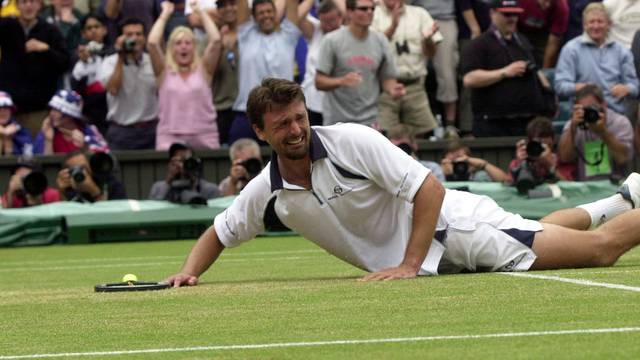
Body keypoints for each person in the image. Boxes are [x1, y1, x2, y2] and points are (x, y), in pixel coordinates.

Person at [165, 77, 640, 287]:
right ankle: (624, 199)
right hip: (446, 247)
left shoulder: (350, 140)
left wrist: (410, 265)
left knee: (599, 252)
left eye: (299, 118)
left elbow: (428, 188)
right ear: (260, 131)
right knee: (533, 227)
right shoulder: (264, 189)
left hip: (459, 232)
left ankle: (625, 207)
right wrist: (188, 273)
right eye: (282, 124)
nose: (295, 129)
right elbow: (219, 232)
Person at [461, 0, 552, 137]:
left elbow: (535, 69)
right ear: (492, 13)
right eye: (507, 14)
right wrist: (505, 72)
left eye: (515, 15)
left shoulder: (522, 41)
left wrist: (547, 92)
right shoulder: (479, 44)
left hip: (525, 122)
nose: (512, 19)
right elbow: (469, 79)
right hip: (493, 124)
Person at [315, 0, 405, 127]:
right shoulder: (332, 40)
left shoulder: (380, 40)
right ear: (350, 12)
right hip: (338, 121)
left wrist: (393, 90)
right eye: (363, 9)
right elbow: (319, 81)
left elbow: (387, 78)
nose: (369, 12)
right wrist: (341, 81)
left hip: (370, 120)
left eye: (372, 9)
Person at [147, 0, 221, 151]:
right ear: (171, 48)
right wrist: (165, 14)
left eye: (188, 42)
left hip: (204, 136)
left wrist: (201, 12)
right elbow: (152, 42)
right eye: (178, 43)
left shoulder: (204, 69)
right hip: (169, 137)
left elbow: (216, 39)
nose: (183, 46)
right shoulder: (163, 71)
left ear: (194, 47)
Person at [228, 0, 304, 144]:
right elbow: (242, 4)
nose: (266, 16)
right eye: (261, 13)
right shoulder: (246, 35)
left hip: (282, 113)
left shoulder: (288, 35)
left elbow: (293, 4)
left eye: (269, 11)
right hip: (246, 114)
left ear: (276, 14)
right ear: (254, 17)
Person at [371, 0, 442, 138]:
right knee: (383, 136)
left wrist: (427, 40)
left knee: (422, 135)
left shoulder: (420, 14)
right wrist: (393, 26)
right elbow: (372, 49)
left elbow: (431, 54)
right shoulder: (373, 15)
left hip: (415, 85)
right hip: (384, 89)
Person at [0, 0, 71, 137]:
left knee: (38, 154)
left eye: (32, 1)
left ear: (39, 5)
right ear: (17, 5)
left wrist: (46, 49)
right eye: (24, 2)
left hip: (39, 110)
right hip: (7, 110)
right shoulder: (6, 26)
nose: (28, 6)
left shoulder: (50, 30)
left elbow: (65, 62)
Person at [554, 3, 639, 117]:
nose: (596, 26)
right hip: (582, 115)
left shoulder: (622, 51)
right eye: (591, 22)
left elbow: (635, 86)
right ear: (584, 25)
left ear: (609, 24)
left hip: (616, 115)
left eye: (600, 21)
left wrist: (627, 89)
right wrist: (581, 88)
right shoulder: (571, 49)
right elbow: (560, 86)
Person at [97, 18, 159, 150]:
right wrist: (121, 56)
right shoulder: (110, 62)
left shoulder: (153, 61)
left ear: (145, 37)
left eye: (138, 34)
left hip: (151, 130)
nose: (134, 38)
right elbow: (113, 89)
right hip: (122, 132)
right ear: (120, 38)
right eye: (129, 35)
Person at [557, 84, 634, 181]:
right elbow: (564, 157)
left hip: (617, 187)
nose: (588, 112)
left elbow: (623, 158)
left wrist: (603, 132)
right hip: (586, 189)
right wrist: (572, 129)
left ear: (604, 104)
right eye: (585, 109)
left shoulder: (620, 123)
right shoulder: (575, 123)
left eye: (592, 108)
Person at [409, 0, 459, 132]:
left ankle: (450, 124)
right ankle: (419, 124)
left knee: (447, 73)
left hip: (444, 19)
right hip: (414, 17)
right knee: (414, 71)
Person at [299, 0, 343, 127]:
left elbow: (347, 12)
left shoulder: (348, 34)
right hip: (311, 101)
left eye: (331, 21)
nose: (328, 26)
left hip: (337, 104)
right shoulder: (316, 30)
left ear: (340, 17)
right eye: (324, 21)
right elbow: (297, 16)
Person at [71, 13, 111, 136]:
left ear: (104, 30)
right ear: (83, 33)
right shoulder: (76, 57)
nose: (93, 30)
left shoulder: (114, 53)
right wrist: (83, 63)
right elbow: (75, 89)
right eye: (89, 28)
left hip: (111, 115)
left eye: (96, 26)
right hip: (88, 116)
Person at [33, 90, 109, 155]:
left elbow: (104, 159)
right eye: (51, 109)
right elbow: (43, 166)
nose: (51, 114)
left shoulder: (89, 131)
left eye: (57, 110)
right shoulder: (46, 131)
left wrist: (85, 147)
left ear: (70, 115)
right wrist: (48, 140)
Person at [149, 142, 220, 204]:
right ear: (170, 164)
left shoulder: (210, 189)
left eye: (186, 161)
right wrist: (168, 182)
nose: (182, 165)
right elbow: (154, 208)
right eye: (178, 161)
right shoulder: (158, 188)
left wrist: (192, 181)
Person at [509, 116, 571, 184]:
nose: (540, 150)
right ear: (530, 144)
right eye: (537, 145)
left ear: (553, 142)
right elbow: (512, 189)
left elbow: (569, 189)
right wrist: (521, 166)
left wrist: (551, 166)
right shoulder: (520, 162)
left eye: (545, 146)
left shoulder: (561, 162)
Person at [56, 150, 126, 202]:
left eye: (83, 167)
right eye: (75, 169)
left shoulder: (110, 184)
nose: (82, 172)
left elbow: (113, 215)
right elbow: (65, 216)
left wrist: (94, 191)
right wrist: (62, 192)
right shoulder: (69, 189)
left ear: (90, 166)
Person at [516, 0, 569, 68]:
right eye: (545, 1)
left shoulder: (562, 7)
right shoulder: (522, 2)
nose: (547, 5)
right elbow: (511, 26)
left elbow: (553, 44)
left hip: (543, 33)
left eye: (551, 2)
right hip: (520, 28)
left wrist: (544, 71)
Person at [440, 140, 509, 182]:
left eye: (461, 162)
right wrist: (441, 173)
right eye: (454, 162)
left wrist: (484, 164)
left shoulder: (479, 177)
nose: (458, 167)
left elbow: (505, 181)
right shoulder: (437, 176)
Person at [0, 91, 34, 156]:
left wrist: (8, 139)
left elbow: (29, 157)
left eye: (6, 108)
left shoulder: (21, 131)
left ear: (11, 111)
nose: (2, 112)